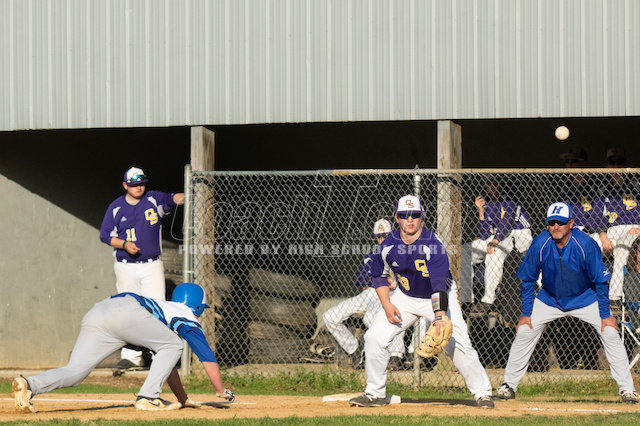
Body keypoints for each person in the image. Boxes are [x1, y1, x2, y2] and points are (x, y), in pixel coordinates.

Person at [349, 195, 494, 408]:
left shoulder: (433, 244)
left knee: (458, 343)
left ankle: (483, 393)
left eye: (414, 215)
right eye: (405, 215)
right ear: (397, 218)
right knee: (374, 337)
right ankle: (375, 394)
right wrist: (387, 305)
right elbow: (379, 275)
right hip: (405, 297)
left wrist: (440, 317)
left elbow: (438, 284)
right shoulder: (388, 245)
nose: (410, 219)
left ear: (422, 217)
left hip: (438, 295)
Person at [494, 202, 640, 404]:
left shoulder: (586, 244)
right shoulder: (540, 243)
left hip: (585, 298)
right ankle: (508, 386)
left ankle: (627, 390)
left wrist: (606, 316)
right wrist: (526, 314)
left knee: (610, 332)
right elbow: (527, 279)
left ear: (571, 223)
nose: (556, 227)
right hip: (549, 299)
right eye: (552, 222)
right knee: (525, 331)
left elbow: (600, 281)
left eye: (561, 222)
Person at [12, 283, 235, 413]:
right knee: (174, 344)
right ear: (197, 307)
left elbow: (166, 364)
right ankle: (148, 397)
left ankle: (29, 384)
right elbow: (207, 357)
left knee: (75, 372)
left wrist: (182, 398)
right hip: (127, 311)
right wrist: (220, 390)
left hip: (100, 311)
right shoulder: (186, 315)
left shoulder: (163, 312)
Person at [99, 166, 185, 373]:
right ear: (125, 185)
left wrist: (192, 193)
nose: (138, 187)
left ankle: (160, 355)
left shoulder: (153, 199)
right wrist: (124, 244)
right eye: (134, 184)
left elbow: (174, 199)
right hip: (126, 266)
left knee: (157, 309)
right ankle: (132, 357)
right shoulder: (116, 207)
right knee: (128, 311)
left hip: (151, 265)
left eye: (141, 183)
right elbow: (105, 235)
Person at [323, 219, 414, 370]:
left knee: (371, 318)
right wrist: (381, 279)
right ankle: (355, 349)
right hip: (369, 293)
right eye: (379, 236)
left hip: (391, 293)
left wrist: (382, 279)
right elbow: (359, 279)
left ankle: (394, 354)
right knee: (330, 316)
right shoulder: (372, 255)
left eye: (386, 235)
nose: (382, 239)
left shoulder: (403, 253)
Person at [460, 174, 533, 314]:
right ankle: (466, 300)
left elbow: (508, 220)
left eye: (495, 183)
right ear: (484, 185)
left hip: (517, 233)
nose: (492, 186)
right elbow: (484, 235)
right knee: (465, 251)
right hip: (497, 237)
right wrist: (481, 212)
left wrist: (495, 240)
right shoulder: (487, 202)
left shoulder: (510, 196)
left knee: (493, 253)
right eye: (488, 183)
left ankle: (488, 300)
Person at [592, 148, 640, 315]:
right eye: (612, 162)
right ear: (607, 165)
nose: (616, 166)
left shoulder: (636, 183)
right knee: (586, 245)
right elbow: (597, 216)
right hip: (610, 232)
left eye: (620, 162)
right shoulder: (603, 188)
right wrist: (603, 237)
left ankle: (614, 299)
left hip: (633, 230)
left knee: (621, 250)